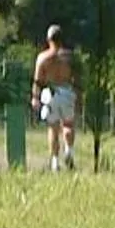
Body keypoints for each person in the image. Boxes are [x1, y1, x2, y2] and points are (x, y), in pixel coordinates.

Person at [32, 23, 80, 172]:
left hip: (50, 93)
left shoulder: (43, 58)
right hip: (66, 91)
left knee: (53, 128)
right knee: (68, 125)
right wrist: (79, 96)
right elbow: (77, 79)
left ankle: (54, 162)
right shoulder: (70, 58)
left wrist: (35, 98)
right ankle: (69, 152)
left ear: (48, 39)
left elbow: (38, 81)